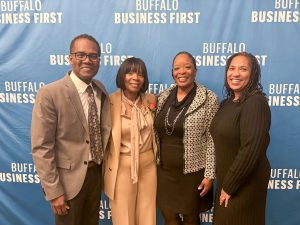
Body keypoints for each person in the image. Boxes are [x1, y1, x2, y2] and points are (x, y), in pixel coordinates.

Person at [31, 34, 111, 225]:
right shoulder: (50, 93)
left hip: (95, 176)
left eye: (93, 56)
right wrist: (53, 191)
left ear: (99, 61)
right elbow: (41, 146)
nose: (87, 60)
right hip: (67, 183)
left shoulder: (100, 90)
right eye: (81, 54)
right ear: (70, 58)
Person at [154, 51, 219, 225]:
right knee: (169, 217)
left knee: (191, 218)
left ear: (195, 71)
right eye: (177, 68)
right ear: (172, 73)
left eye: (187, 67)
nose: (181, 71)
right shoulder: (162, 97)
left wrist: (209, 175)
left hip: (193, 173)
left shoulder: (209, 99)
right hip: (164, 171)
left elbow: (213, 139)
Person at [210, 52, 271, 225]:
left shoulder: (255, 102)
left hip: (243, 184)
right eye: (231, 68)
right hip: (227, 181)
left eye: (243, 69)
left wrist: (229, 186)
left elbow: (251, 149)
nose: (235, 74)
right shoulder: (227, 103)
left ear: (253, 74)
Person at [104, 57, 157, 225]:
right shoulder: (110, 102)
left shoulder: (150, 100)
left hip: (149, 166)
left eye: (140, 74)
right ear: (122, 76)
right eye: (130, 72)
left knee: (148, 215)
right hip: (121, 167)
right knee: (123, 217)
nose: (135, 78)